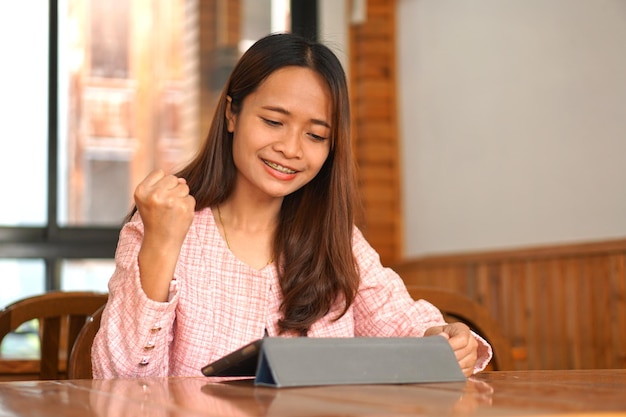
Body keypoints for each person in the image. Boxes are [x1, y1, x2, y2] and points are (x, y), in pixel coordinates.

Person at [92, 32, 492, 379]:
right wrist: (161, 243)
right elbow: (120, 383)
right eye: (273, 121)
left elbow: (405, 326)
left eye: (316, 135)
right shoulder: (163, 226)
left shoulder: (335, 238)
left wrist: (443, 338)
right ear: (232, 113)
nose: (290, 149)